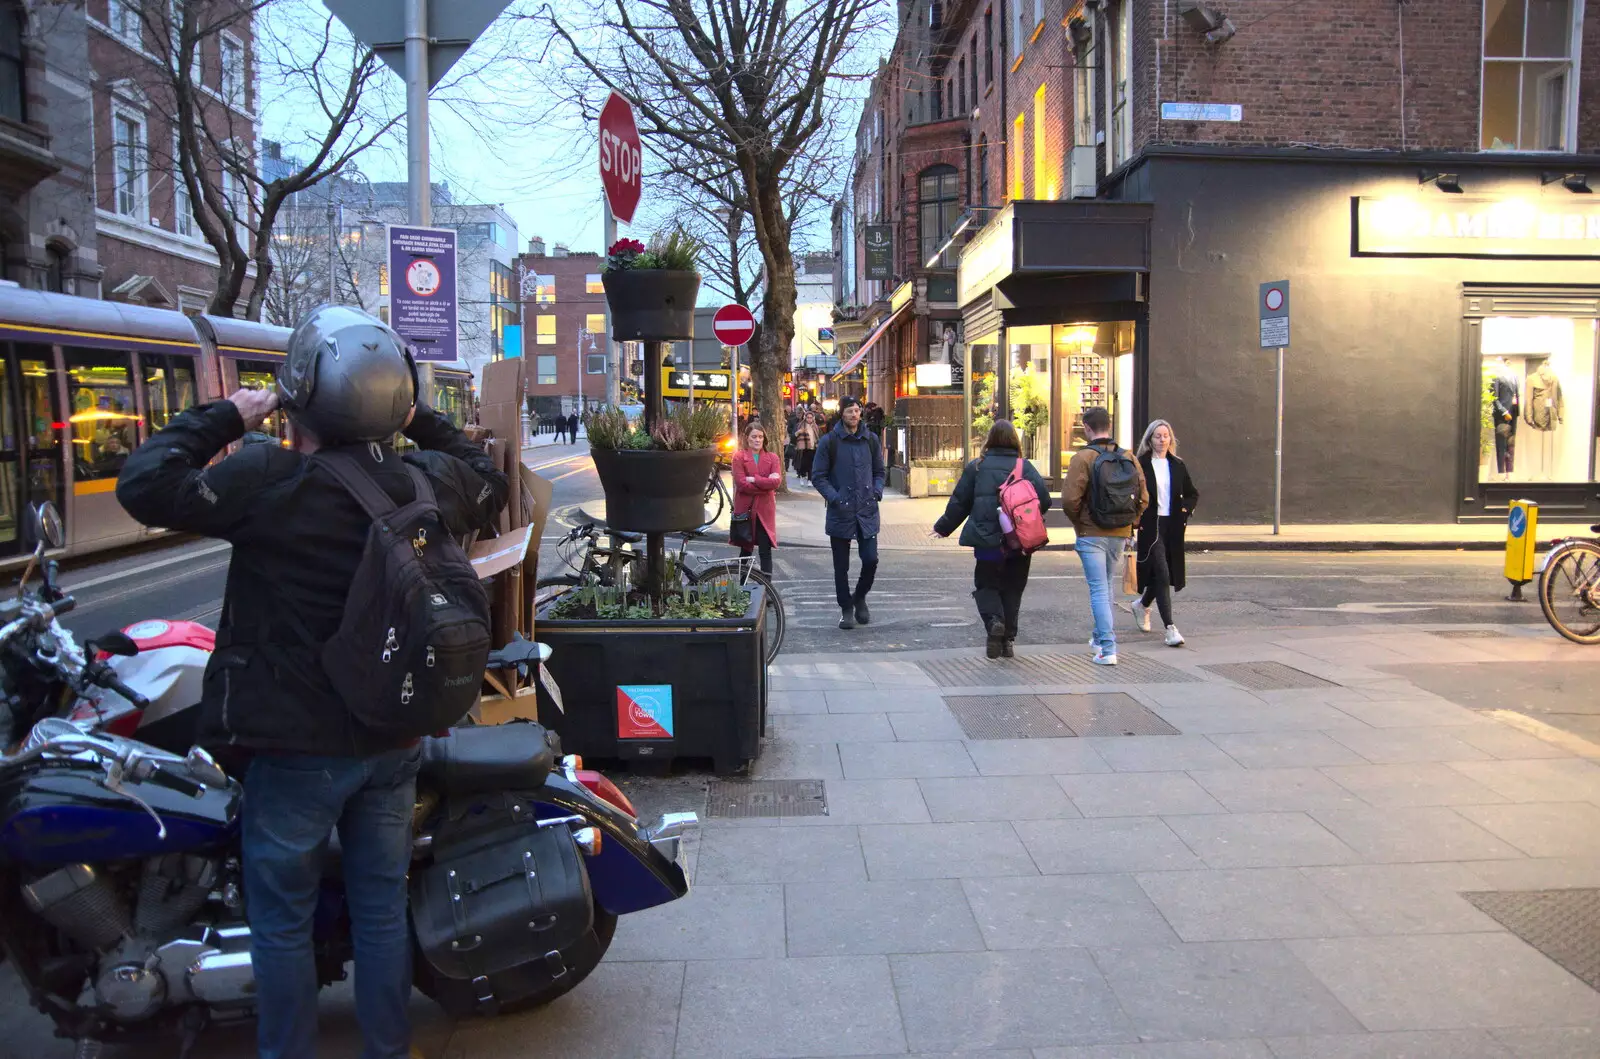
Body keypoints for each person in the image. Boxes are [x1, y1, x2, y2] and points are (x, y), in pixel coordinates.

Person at [115, 305, 508, 1059]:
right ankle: (386, 1048)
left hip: (294, 747)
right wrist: (418, 417)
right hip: (394, 733)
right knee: (379, 909)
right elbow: (490, 476)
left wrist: (228, 411)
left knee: (283, 920)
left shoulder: (272, 479)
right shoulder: (423, 480)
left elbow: (146, 482)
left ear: (302, 394)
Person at [932, 419, 1051, 658]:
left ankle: (994, 622)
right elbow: (1045, 501)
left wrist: (943, 527)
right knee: (1013, 589)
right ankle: (1007, 641)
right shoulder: (1024, 467)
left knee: (986, 585)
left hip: (987, 541)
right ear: (1014, 441)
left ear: (989, 440)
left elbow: (960, 502)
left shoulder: (977, 467)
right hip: (1019, 541)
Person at [1064, 406, 1147, 666]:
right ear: (1109, 426)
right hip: (1119, 532)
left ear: (1087, 428)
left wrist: (1081, 523)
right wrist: (1130, 523)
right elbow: (1144, 498)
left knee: (1099, 589)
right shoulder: (1129, 458)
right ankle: (1100, 638)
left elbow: (1069, 500)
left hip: (1091, 532)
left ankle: (1108, 649)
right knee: (1106, 586)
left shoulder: (1083, 457)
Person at [811, 394, 884, 630]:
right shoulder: (829, 441)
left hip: (866, 509)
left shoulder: (871, 440)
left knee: (870, 559)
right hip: (840, 511)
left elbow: (879, 472)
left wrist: (877, 491)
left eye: (857, 410)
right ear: (841, 413)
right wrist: (835, 497)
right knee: (841, 567)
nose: (854, 414)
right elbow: (818, 476)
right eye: (850, 410)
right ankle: (846, 608)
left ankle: (860, 596)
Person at [1133, 419, 1199, 647]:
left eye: (1165, 435)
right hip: (1150, 526)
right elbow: (1133, 493)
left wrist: (1184, 510)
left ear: (1171, 439)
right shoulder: (1140, 464)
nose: (1162, 439)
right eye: (1157, 436)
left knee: (1164, 574)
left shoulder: (1177, 465)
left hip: (1171, 526)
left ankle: (1142, 605)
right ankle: (1170, 628)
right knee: (1162, 573)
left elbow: (1192, 493)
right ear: (1149, 439)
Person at [732, 422, 782, 574]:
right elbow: (741, 485)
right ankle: (741, 589)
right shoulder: (739, 457)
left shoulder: (772, 458)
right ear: (747, 438)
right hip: (745, 510)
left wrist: (753, 479)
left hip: (764, 511)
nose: (757, 440)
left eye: (760, 437)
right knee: (745, 552)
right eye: (754, 436)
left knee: (765, 552)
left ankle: (767, 591)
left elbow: (776, 482)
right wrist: (765, 483)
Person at [792, 410, 819, 483]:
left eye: (811, 417)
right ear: (805, 418)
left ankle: (810, 479)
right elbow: (793, 436)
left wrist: (817, 443)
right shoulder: (800, 425)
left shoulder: (815, 426)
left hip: (813, 447)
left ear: (813, 418)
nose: (809, 419)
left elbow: (817, 436)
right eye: (808, 417)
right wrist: (798, 432)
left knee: (812, 464)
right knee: (803, 463)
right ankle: (802, 476)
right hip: (803, 448)